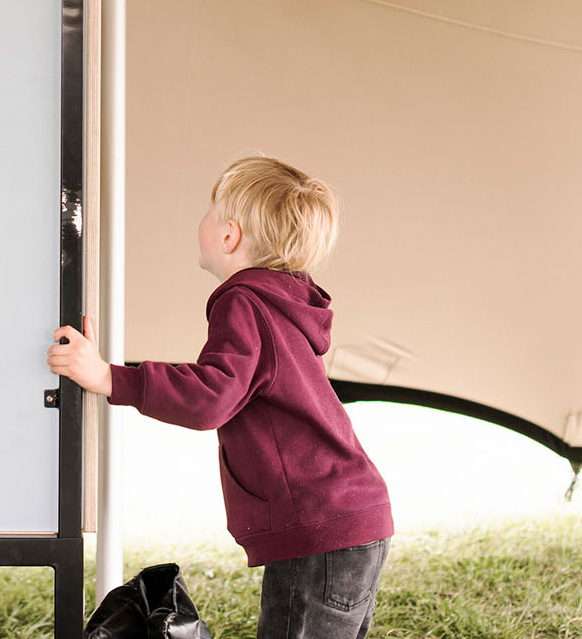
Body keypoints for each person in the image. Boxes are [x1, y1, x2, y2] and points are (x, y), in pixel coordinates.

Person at [47, 155, 392, 639]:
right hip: (351, 520)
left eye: (211, 210)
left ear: (229, 235)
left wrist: (108, 377)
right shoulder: (284, 303)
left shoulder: (244, 302)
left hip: (322, 529)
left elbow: (212, 395)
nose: (202, 221)